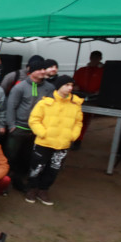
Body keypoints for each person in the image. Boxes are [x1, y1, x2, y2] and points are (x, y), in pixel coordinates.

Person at [26, 75, 83, 206]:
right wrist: (43, 133)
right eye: (67, 85)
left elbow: (78, 123)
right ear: (59, 86)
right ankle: (32, 189)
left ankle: (43, 190)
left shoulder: (75, 104)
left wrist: (72, 136)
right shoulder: (45, 102)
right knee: (37, 167)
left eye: (71, 85)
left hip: (62, 143)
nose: (70, 88)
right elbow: (34, 120)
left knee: (54, 169)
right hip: (44, 142)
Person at [5, 57, 54, 192]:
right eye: (39, 69)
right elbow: (11, 106)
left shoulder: (49, 88)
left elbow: (50, 109)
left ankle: (19, 181)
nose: (43, 72)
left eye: (44, 69)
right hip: (18, 129)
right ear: (31, 71)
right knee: (11, 157)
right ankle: (5, 182)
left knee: (27, 158)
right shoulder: (20, 87)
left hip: (35, 131)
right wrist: (11, 125)